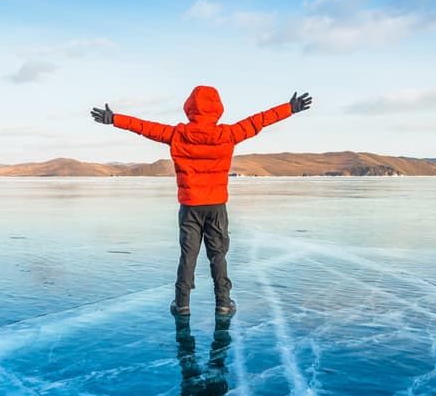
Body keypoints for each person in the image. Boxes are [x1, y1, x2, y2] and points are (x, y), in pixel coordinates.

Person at [91, 86, 312, 316]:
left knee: (188, 255)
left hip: (190, 207)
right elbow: (259, 121)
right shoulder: (228, 134)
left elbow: (144, 127)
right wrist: (289, 108)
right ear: (218, 109)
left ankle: (182, 304)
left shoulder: (177, 134)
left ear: (189, 108)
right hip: (216, 207)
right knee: (218, 255)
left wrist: (114, 119)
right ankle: (223, 303)